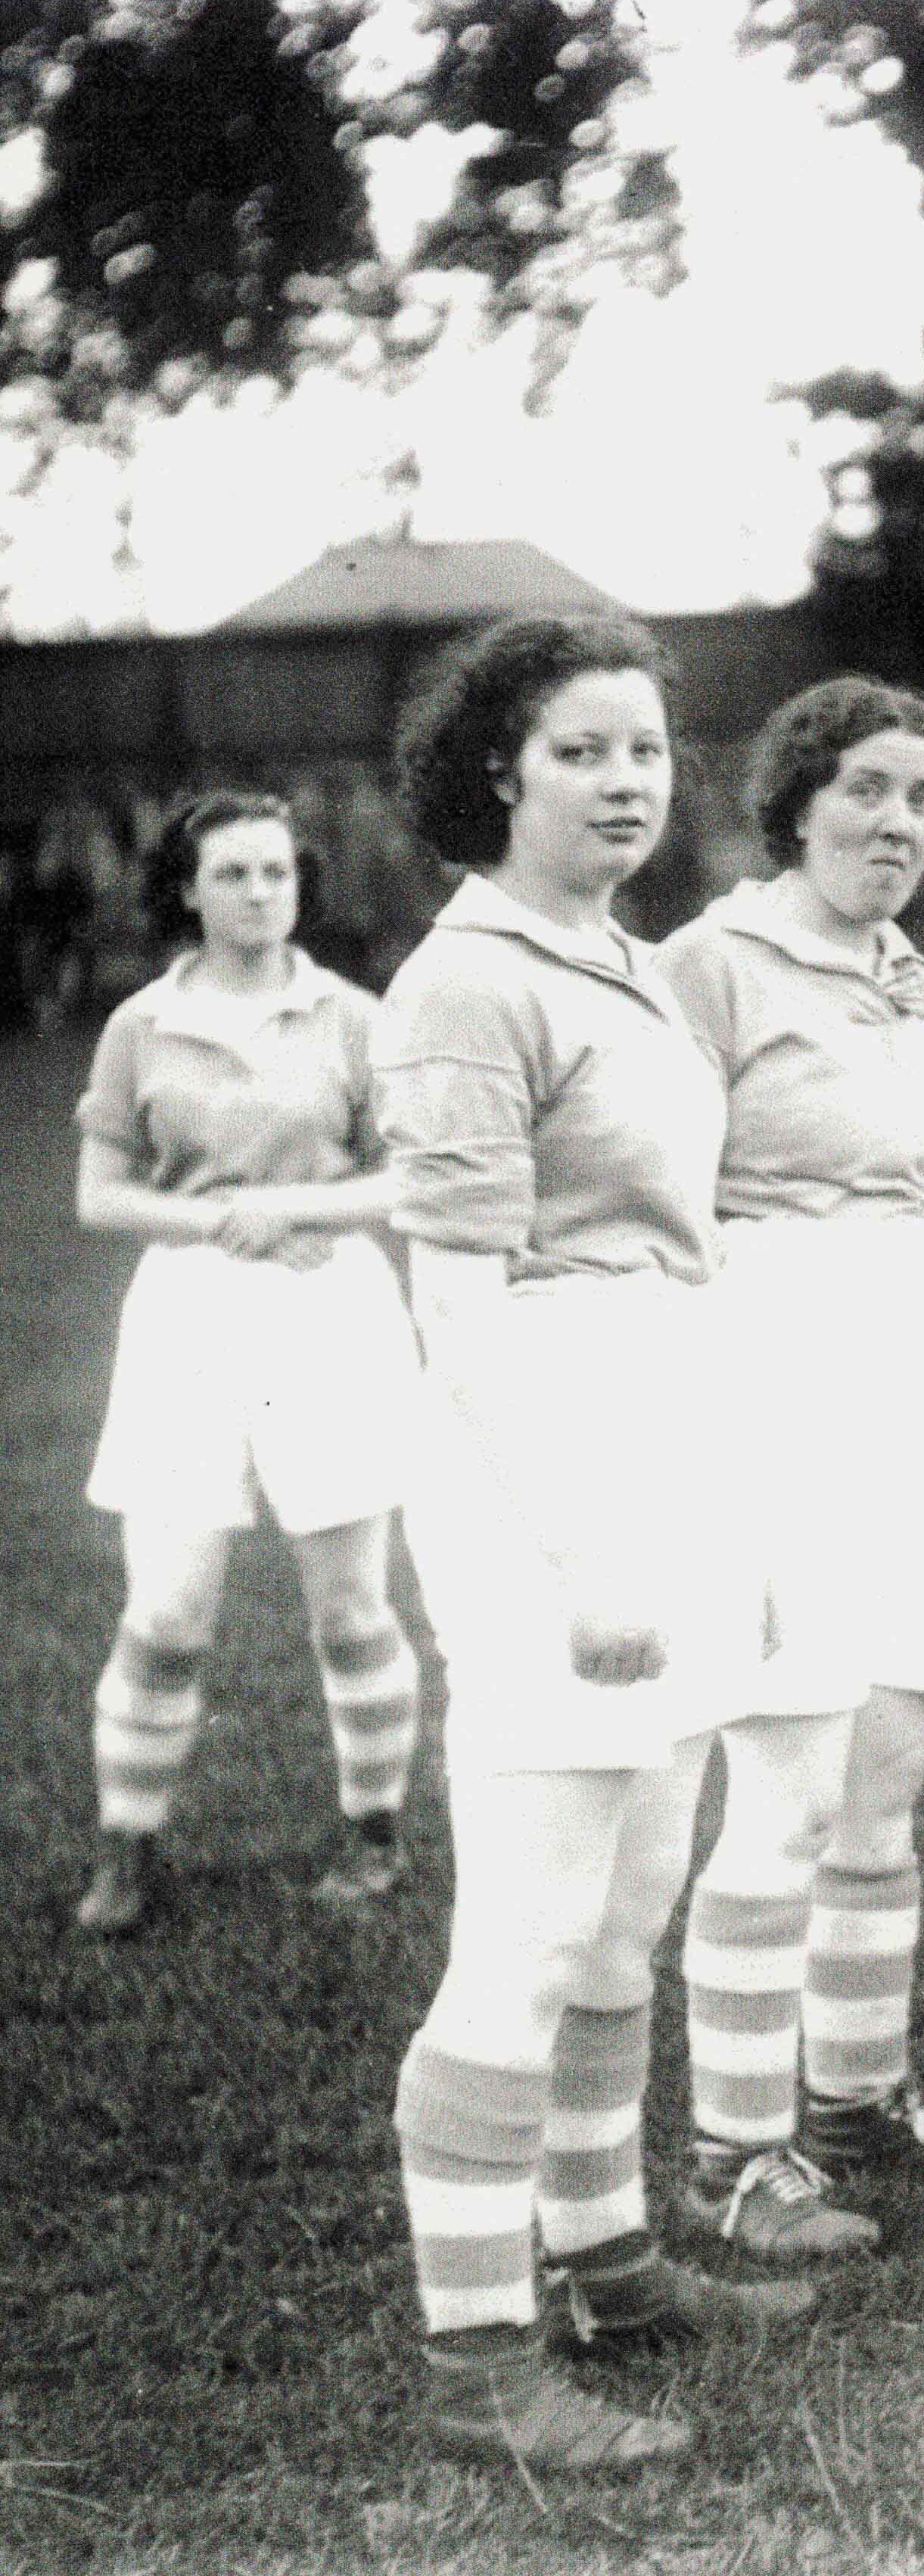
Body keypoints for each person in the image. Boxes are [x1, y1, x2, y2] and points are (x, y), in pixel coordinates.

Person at [377, 614, 807, 2475]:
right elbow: (460, 1309)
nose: (628, 779)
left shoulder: (621, 960)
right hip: (543, 1472)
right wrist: (576, 1560)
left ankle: (607, 2257)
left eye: (646, 749)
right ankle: (481, 2362)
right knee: (531, 1934)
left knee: (627, 1917)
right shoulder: (463, 985)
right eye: (582, 751)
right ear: (497, 773)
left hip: (668, 1447)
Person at [652, 678, 924, 2264]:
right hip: (774, 1390)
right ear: (795, 800)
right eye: (866, 792)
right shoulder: (706, 967)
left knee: (887, 1778)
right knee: (790, 1784)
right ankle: (731, 2157)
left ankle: (858, 2102)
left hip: (922, 1400)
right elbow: (662, 1214)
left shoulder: (915, 980)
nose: (896, 824)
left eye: (921, 799)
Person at [69, 791, 424, 1935]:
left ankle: (374, 1835)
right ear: (186, 887)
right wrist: (221, 1221)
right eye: (233, 875)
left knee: (353, 1607)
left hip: (332, 1308)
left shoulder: (356, 1016)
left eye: (277, 873)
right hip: (188, 1311)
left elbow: (411, 1179)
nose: (260, 894)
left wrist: (295, 1205)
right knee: (169, 1612)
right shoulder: (141, 1023)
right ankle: (130, 1849)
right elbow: (98, 1194)